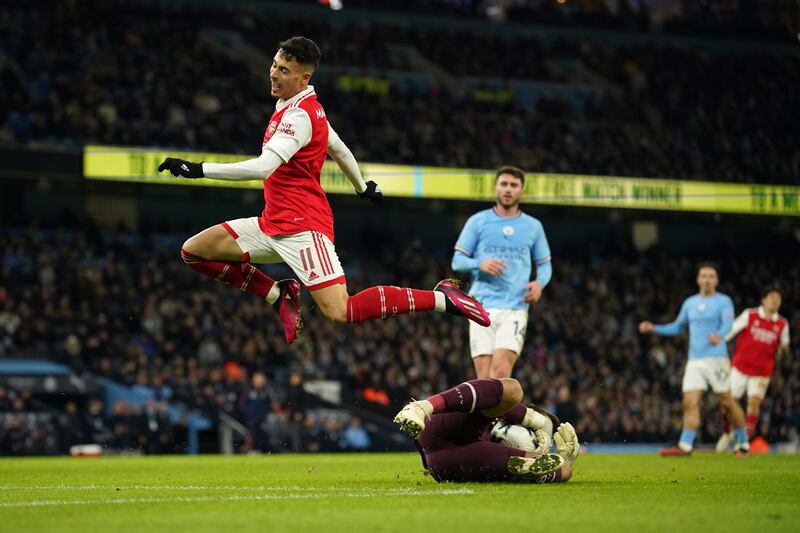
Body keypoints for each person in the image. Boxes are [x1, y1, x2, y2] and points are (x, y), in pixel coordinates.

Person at [158, 36, 490, 344]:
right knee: (194, 252)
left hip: (303, 230)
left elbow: (262, 168)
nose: (273, 73)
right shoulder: (304, 106)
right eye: (274, 64)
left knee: (340, 311)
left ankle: (442, 297)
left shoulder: (298, 117)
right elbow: (339, 148)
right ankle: (278, 294)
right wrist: (361, 186)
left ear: (304, 78)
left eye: (284, 70)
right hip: (273, 223)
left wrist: (198, 169)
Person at [639, 262, 749, 456]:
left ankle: (743, 443)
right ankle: (685, 445)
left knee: (726, 401)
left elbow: (728, 323)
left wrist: (720, 335)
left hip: (717, 358)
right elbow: (677, 327)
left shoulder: (724, 301)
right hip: (695, 361)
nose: (707, 279)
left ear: (716, 280)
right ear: (698, 279)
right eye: (704, 276)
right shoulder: (690, 303)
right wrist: (654, 327)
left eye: (711, 276)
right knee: (689, 401)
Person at [451, 166, 551, 378]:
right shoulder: (477, 221)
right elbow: (457, 262)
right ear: (495, 189)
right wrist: (480, 264)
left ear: (522, 192)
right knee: (483, 378)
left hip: (514, 308)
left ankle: (497, 412)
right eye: (504, 184)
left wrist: (539, 283)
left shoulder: (533, 226)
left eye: (514, 185)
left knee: (500, 372)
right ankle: (488, 413)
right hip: (479, 306)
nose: (508, 189)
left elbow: (545, 265)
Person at [394, 378, 578, 483]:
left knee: (526, 463)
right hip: (442, 437)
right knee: (512, 389)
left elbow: (565, 472)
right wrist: (537, 421)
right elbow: (508, 396)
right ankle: (422, 407)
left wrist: (565, 460)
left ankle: (526, 473)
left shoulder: (497, 427)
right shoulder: (499, 413)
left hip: (448, 460)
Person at [716, 286, 790, 451]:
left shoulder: (782, 324)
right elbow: (731, 330)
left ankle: (743, 443)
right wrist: (718, 343)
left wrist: (785, 351)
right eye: (771, 297)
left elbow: (784, 350)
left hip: (762, 372)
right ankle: (728, 432)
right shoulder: (750, 315)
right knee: (727, 405)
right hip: (740, 368)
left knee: (754, 404)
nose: (775, 301)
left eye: (778, 298)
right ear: (763, 300)